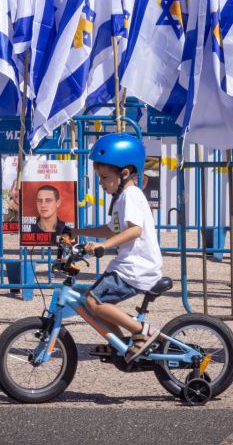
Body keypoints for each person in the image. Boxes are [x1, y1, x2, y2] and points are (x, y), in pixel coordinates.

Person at [72, 133, 164, 361]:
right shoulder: (121, 197)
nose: (100, 183)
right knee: (93, 303)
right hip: (128, 266)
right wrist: (78, 232)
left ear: (124, 173)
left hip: (136, 267)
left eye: (104, 177)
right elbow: (111, 229)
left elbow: (134, 230)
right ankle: (120, 345)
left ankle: (143, 332)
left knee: (93, 301)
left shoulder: (130, 195)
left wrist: (103, 246)